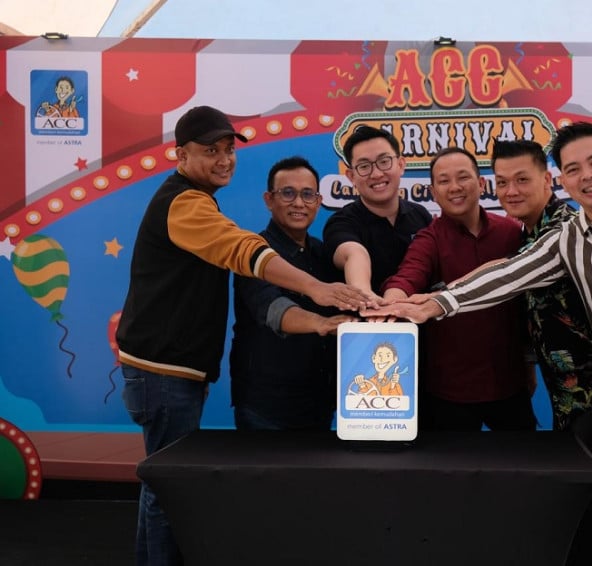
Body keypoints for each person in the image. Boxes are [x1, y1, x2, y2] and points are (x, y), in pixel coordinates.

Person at [363, 122, 592, 566]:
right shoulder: (566, 238)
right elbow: (509, 275)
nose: (587, 176)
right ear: (563, 178)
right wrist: (435, 304)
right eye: (574, 169)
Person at [116, 106, 369, 566]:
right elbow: (245, 254)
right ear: (181, 155)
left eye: (228, 149)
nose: (224, 159)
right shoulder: (185, 203)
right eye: (210, 151)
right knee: (169, 489)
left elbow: (350, 255)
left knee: (162, 485)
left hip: (181, 375)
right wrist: (318, 296)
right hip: (168, 375)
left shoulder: (203, 203)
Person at [382, 147, 536, 431]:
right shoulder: (429, 239)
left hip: (509, 385)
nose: (454, 187)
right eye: (444, 181)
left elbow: (527, 306)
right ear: (433, 192)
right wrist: (393, 302)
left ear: (481, 183)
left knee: (524, 458)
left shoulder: (512, 233)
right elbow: (406, 277)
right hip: (448, 394)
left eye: (463, 177)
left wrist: (528, 363)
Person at [230, 156, 356, 431]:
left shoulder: (322, 252)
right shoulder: (253, 253)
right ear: (269, 199)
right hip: (266, 408)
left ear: (318, 201)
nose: (299, 203)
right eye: (288, 193)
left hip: (319, 404)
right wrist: (321, 323)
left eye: (308, 194)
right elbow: (274, 310)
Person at [491, 139, 592, 432]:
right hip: (564, 394)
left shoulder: (566, 228)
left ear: (547, 179)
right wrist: (528, 361)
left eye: (522, 180)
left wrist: (435, 301)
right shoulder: (526, 234)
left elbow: (506, 273)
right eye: (502, 182)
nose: (511, 191)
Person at [323, 125, 432, 297]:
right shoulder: (341, 223)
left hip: (421, 313)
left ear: (401, 165)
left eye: (384, 161)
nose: (376, 174)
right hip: (369, 313)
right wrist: (366, 295)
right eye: (364, 166)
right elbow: (354, 254)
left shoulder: (421, 216)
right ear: (351, 176)